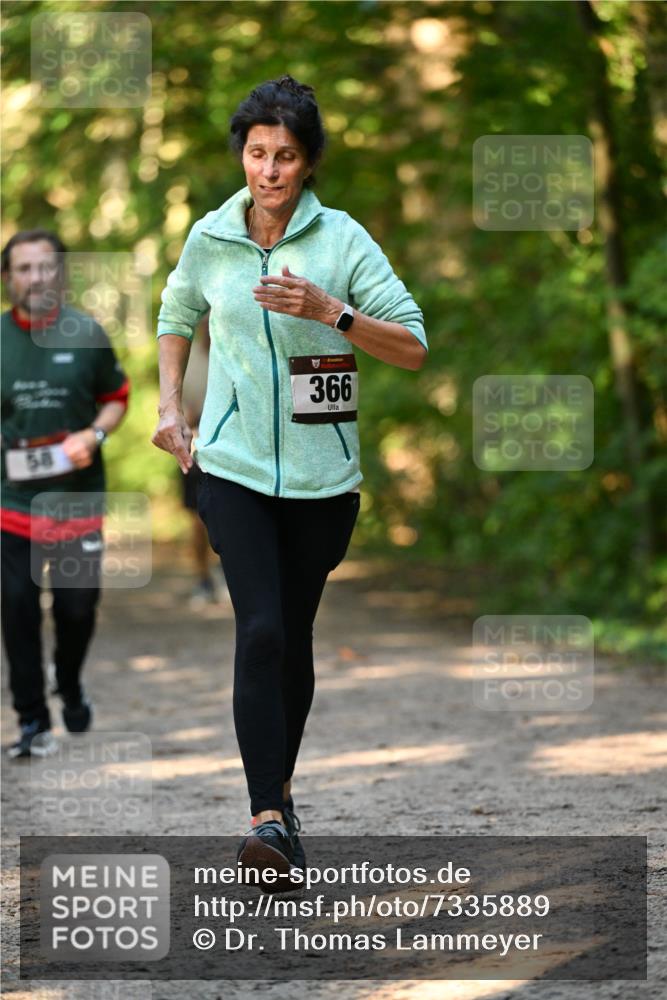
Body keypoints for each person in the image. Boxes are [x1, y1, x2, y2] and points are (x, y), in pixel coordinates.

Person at [152, 75, 427, 877]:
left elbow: (411, 345)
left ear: (308, 166)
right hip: (231, 467)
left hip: (320, 479)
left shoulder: (342, 241)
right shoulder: (209, 236)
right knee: (260, 630)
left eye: (287, 157)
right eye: (257, 153)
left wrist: (329, 313)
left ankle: (280, 801)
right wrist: (173, 408)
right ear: (242, 154)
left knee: (294, 642)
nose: (269, 170)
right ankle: (266, 815)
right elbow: (175, 315)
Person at [1, 230, 129, 758]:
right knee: (18, 608)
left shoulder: (87, 333)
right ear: (9, 279)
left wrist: (93, 435)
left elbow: (117, 398)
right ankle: (33, 720)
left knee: (77, 610)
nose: (35, 278)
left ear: (61, 274)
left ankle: (70, 682)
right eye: (24, 269)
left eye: (45, 267)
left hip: (76, 502)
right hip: (11, 505)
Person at [179, 312, 227, 606]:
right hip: (196, 447)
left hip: (231, 447)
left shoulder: (234, 353)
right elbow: (180, 408)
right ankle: (202, 578)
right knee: (197, 520)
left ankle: (227, 571)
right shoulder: (189, 362)